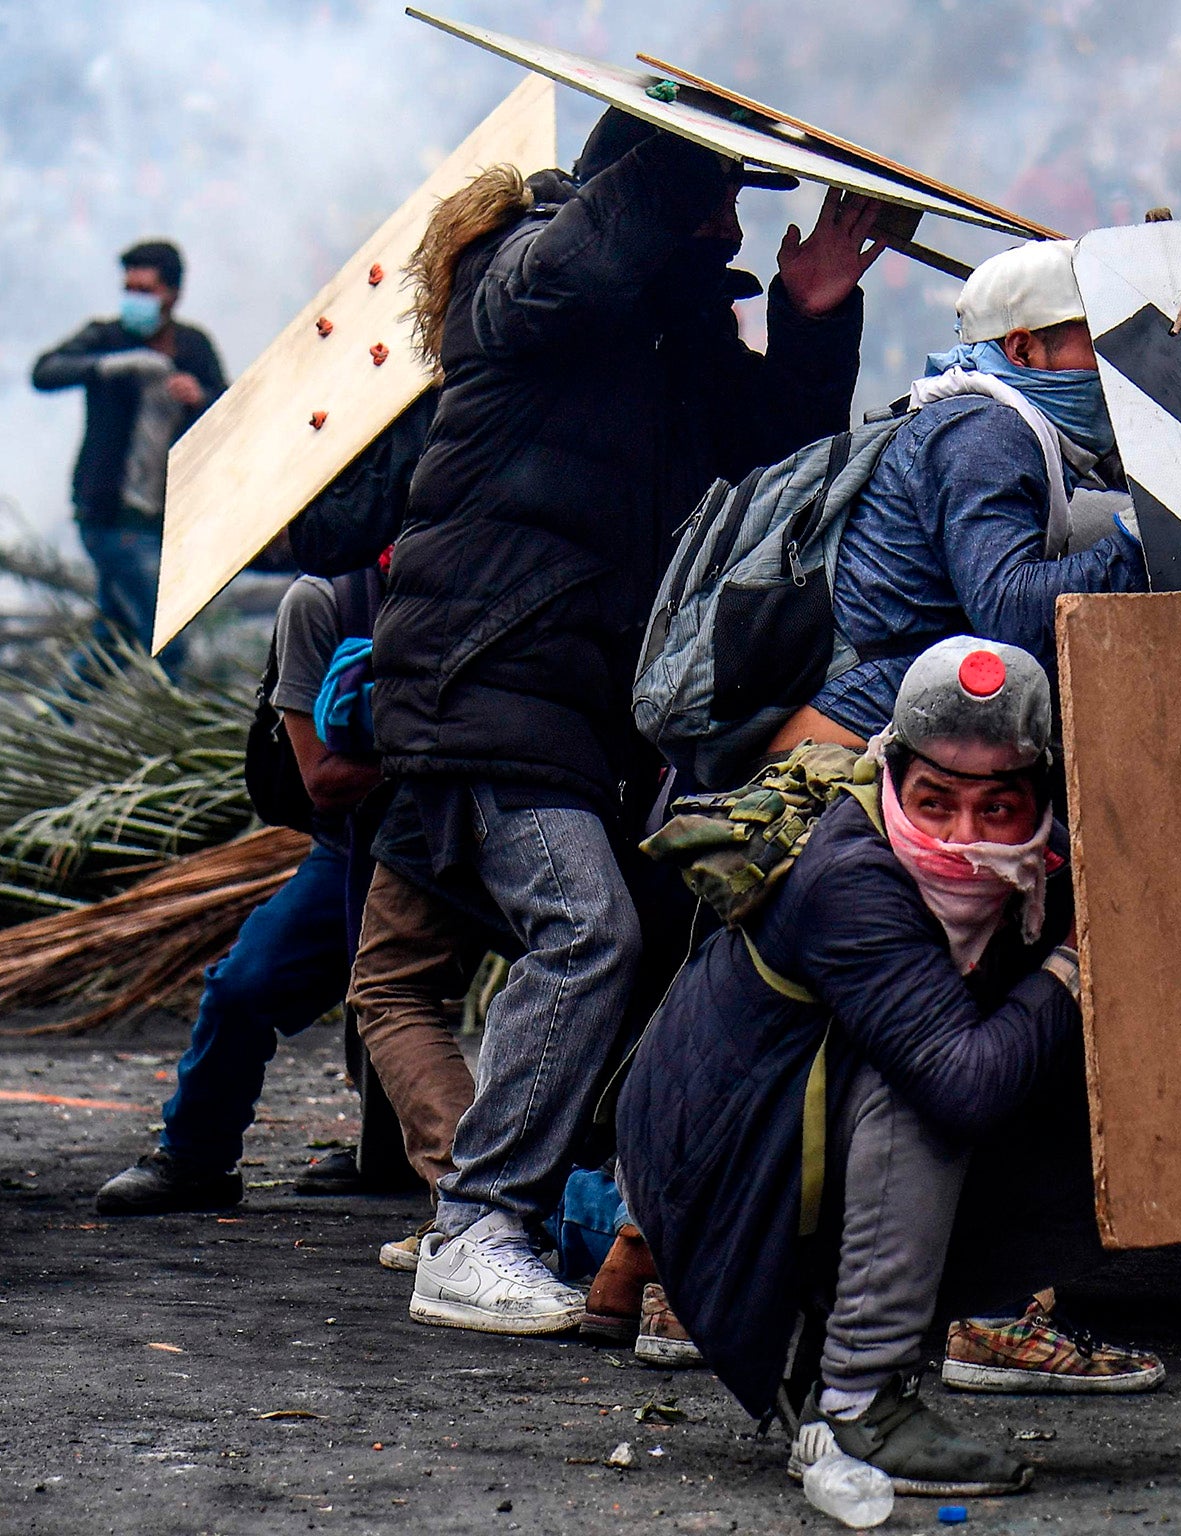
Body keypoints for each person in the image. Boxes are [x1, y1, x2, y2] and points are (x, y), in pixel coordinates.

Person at [374, 111, 878, 1336]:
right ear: (648, 187)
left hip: (573, 704)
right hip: (482, 676)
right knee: (584, 931)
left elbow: (773, 461)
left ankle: (538, 1222)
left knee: (619, 940)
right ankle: (475, 1228)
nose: (733, 222)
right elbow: (587, 259)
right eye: (718, 196)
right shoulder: (525, 272)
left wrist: (811, 318)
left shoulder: (672, 336)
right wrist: (680, 146)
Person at [619, 638, 1159, 1500]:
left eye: (999, 809)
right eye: (935, 803)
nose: (961, 841)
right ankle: (861, 1400)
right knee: (932, 1088)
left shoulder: (1031, 871)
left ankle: (833, 1377)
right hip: (716, 1165)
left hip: (782, 1126)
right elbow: (964, 1082)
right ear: (893, 775)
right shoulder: (854, 874)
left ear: (1045, 802)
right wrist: (1072, 959)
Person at [93, 569, 383, 1214]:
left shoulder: (498, 574)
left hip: (500, 827)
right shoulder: (326, 602)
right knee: (245, 985)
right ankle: (195, 1156)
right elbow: (325, 781)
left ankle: (577, 1174)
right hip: (364, 839)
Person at [779, 239, 1145, 748]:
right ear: (1023, 349)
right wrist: (1143, 541)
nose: (1117, 367)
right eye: (1101, 345)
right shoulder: (987, 432)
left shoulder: (996, 426)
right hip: (858, 725)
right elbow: (1012, 612)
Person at [30, 240, 226, 671]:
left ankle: (61, 720)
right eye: (129, 289)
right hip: (107, 512)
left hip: (161, 513)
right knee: (168, 634)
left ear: (173, 295)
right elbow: (44, 371)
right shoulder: (106, 336)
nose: (134, 300)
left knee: (112, 638)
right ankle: (182, 725)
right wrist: (106, 365)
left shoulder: (191, 347)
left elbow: (229, 408)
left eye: (146, 291)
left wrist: (200, 397)